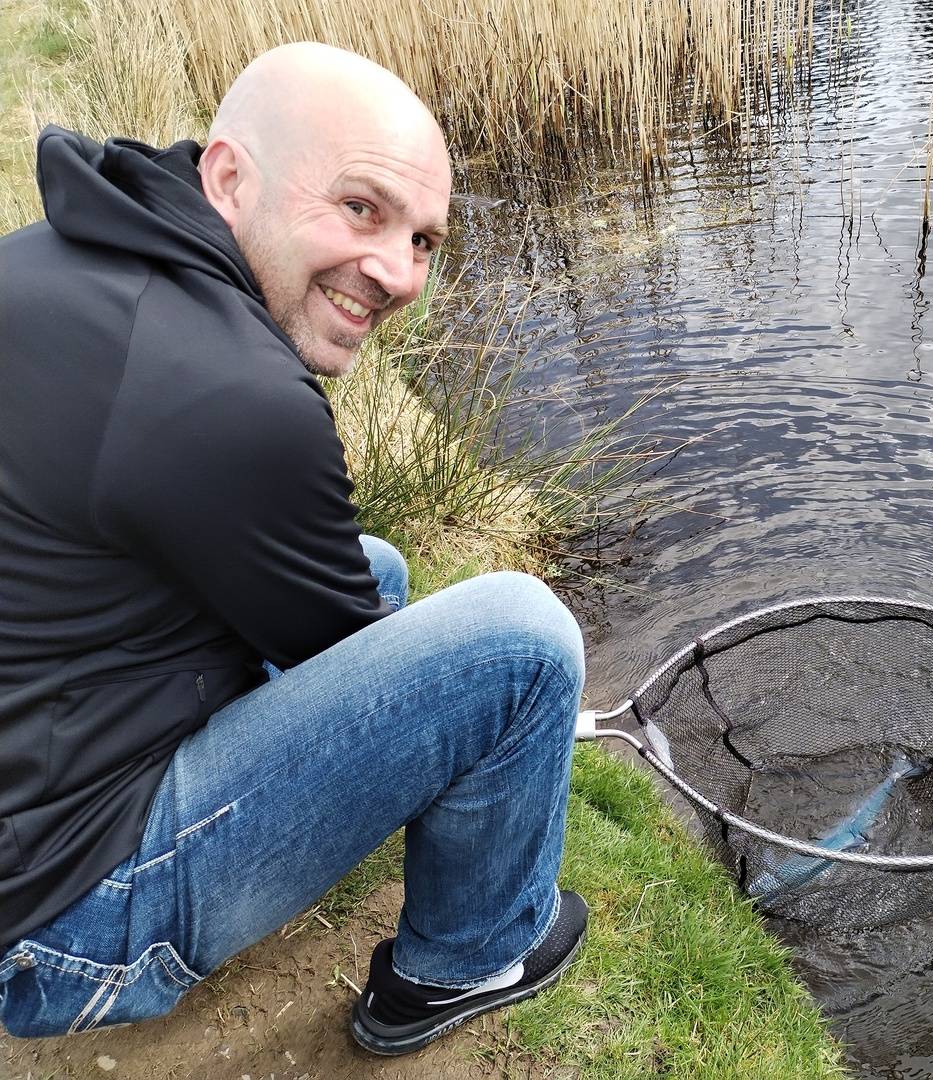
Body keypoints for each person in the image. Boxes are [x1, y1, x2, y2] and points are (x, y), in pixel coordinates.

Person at [0, 42, 587, 1056]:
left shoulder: (62, 251)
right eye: (362, 209)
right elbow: (346, 660)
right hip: (60, 926)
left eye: (423, 240)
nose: (398, 273)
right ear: (228, 176)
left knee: (382, 570)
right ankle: (466, 961)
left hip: (43, 741)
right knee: (523, 647)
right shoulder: (233, 395)